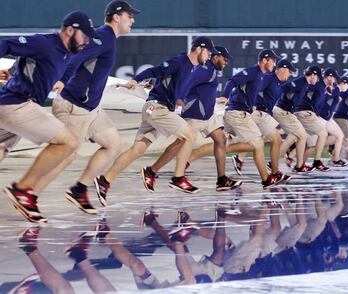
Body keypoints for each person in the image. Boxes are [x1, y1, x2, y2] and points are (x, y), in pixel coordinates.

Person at [32, 1, 140, 215]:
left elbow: (91, 70)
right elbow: (75, 56)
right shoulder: (103, 36)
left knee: (112, 143)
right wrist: (62, 79)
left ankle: (80, 189)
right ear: (116, 17)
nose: (133, 20)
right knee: (65, 153)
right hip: (74, 105)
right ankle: (29, 193)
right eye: (130, 15)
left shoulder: (107, 39)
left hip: (90, 108)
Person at [1, 11, 100, 223]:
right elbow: (8, 45)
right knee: (69, 142)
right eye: (85, 35)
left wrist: (13, 71)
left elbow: (49, 65)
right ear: (70, 30)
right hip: (17, 105)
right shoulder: (44, 43)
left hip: (11, 105)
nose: (87, 41)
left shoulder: (68, 52)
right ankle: (23, 190)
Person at [95, 36, 216, 196]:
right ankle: (178, 178)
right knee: (189, 136)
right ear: (199, 49)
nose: (209, 57)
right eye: (208, 52)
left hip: (157, 109)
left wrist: (175, 97)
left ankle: (105, 181)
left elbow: (166, 81)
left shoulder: (190, 67)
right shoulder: (181, 61)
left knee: (137, 150)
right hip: (157, 108)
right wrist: (136, 80)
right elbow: (155, 70)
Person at [139, 46, 242, 192]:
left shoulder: (210, 69)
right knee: (180, 143)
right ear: (216, 56)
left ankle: (222, 180)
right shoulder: (205, 69)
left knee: (221, 139)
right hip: (196, 113)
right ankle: (152, 171)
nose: (226, 62)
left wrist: (214, 99)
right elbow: (187, 81)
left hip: (208, 113)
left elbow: (200, 88)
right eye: (225, 59)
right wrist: (180, 98)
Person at [220, 49, 283, 189]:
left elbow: (248, 92)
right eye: (273, 60)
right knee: (258, 143)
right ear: (265, 60)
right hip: (237, 113)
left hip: (241, 112)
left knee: (223, 143)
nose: (275, 64)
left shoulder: (260, 75)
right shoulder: (253, 71)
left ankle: (266, 178)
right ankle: (266, 179)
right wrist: (225, 96)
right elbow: (232, 81)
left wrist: (253, 105)